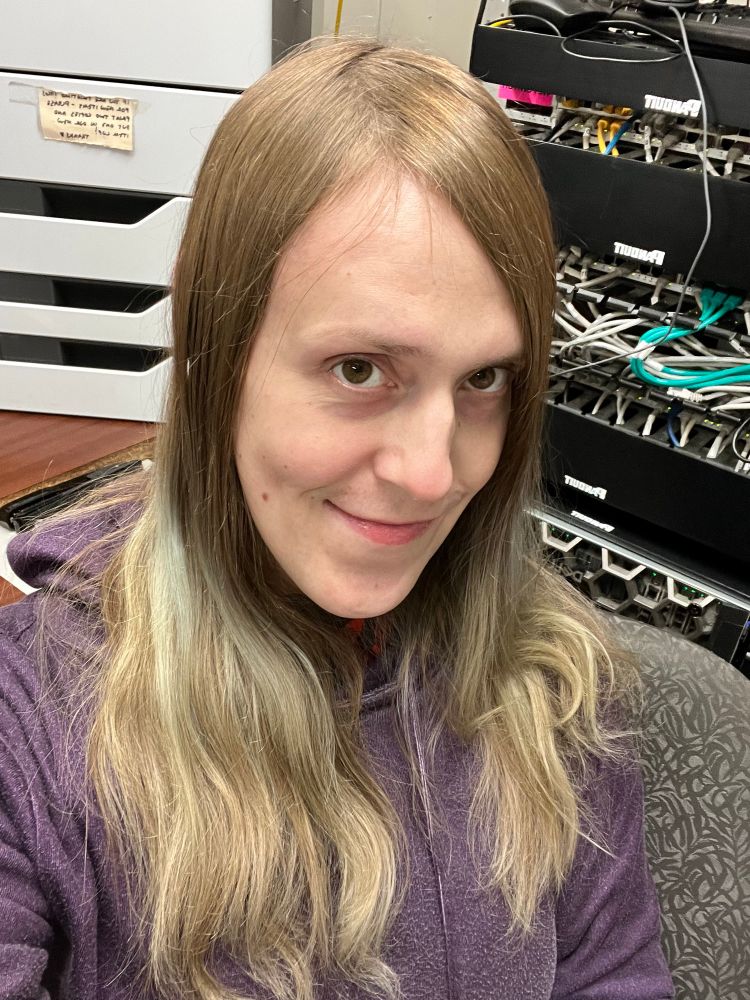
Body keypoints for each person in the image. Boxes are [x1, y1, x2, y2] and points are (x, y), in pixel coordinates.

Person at [0, 38, 674, 1000]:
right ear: (216, 352)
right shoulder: (28, 730)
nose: (434, 472)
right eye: (360, 370)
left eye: (483, 379)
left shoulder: (553, 692)